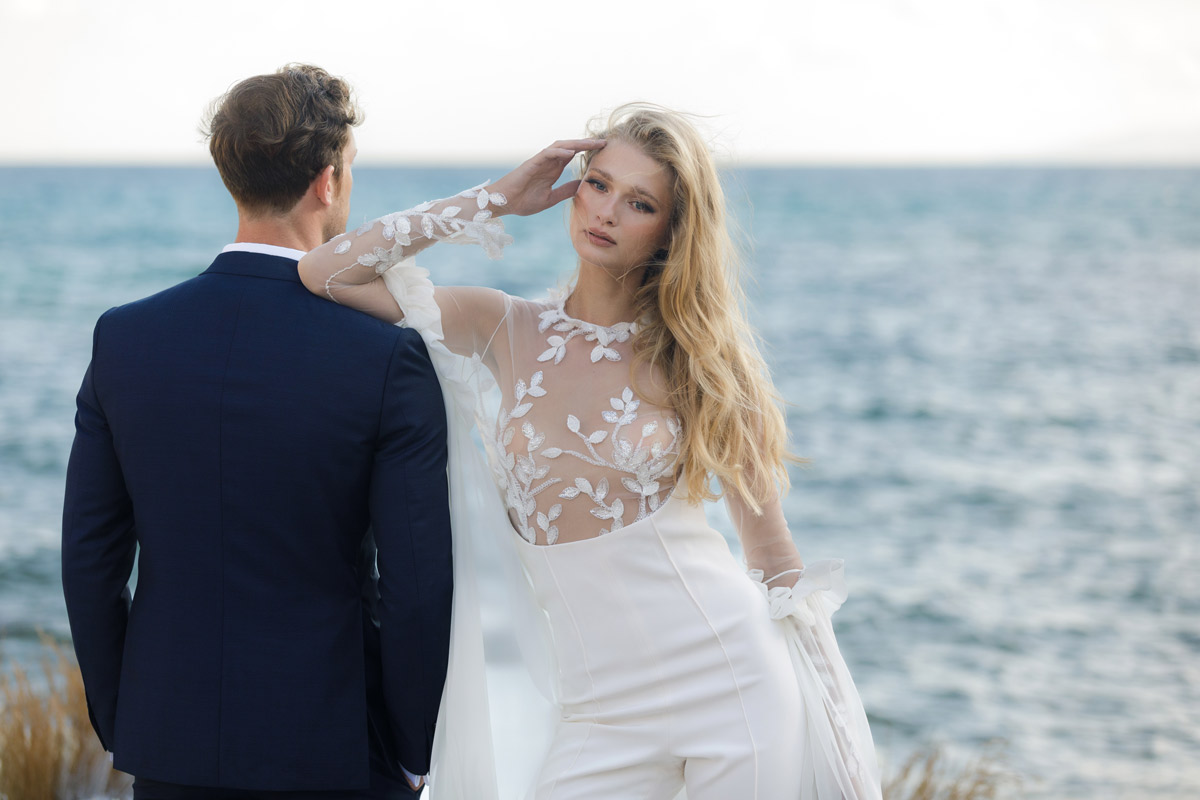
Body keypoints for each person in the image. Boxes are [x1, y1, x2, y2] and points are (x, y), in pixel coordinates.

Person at [299, 104, 882, 799]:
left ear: (672, 230)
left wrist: (841, 743)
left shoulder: (702, 363)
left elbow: (774, 558)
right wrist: (498, 198)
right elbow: (327, 275)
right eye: (597, 184)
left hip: (733, 684)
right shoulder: (504, 328)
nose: (605, 211)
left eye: (639, 202)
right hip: (599, 715)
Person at [61, 64, 454, 799]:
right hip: (338, 747)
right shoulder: (385, 356)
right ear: (327, 181)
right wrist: (411, 751)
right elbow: (418, 586)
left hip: (170, 745)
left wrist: (130, 722)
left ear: (231, 175)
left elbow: (90, 561)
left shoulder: (125, 339)